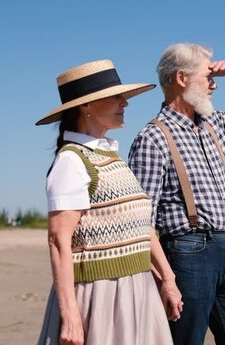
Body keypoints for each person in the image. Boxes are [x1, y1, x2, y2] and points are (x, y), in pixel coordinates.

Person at [128, 43, 225, 345]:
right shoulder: (152, 138)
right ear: (182, 79)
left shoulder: (218, 125)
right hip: (186, 254)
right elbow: (142, 224)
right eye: (207, 76)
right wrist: (166, 279)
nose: (215, 84)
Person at [35, 59, 181, 345]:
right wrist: (71, 315)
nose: (124, 104)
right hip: (101, 295)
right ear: (86, 106)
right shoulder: (72, 161)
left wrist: (168, 278)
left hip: (138, 288)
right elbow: (58, 240)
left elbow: (142, 227)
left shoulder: (112, 158)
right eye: (116, 97)